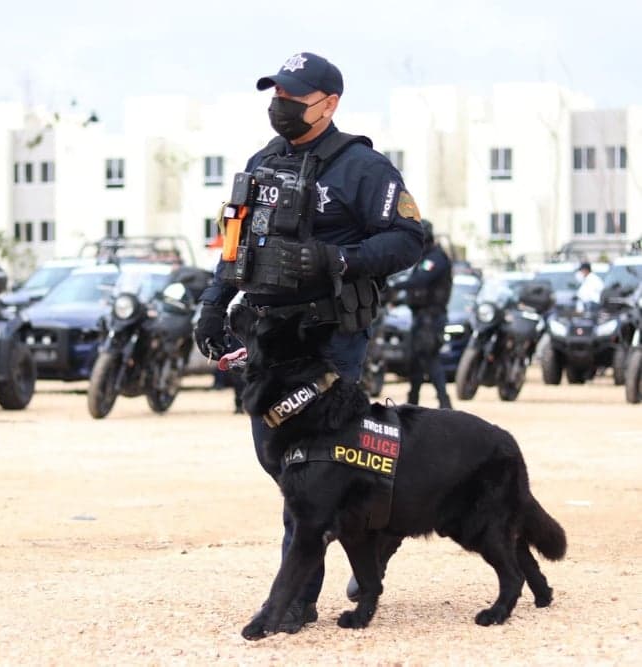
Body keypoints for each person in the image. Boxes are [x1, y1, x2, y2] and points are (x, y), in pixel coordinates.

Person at [193, 52, 424, 632]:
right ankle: (373, 532)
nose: (282, 107)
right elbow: (233, 243)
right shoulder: (261, 161)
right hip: (269, 339)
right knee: (279, 463)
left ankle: (296, 598)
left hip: (329, 338)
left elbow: (408, 239)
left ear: (329, 104)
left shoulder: (363, 167)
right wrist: (214, 304)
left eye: (294, 98)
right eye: (277, 96)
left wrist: (339, 258)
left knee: (310, 469)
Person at [401, 219, 453, 409]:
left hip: (432, 318)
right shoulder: (423, 258)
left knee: (430, 358)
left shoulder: (436, 258)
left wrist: (394, 286)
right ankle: (412, 403)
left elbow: (420, 280)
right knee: (415, 360)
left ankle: (444, 403)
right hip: (421, 317)